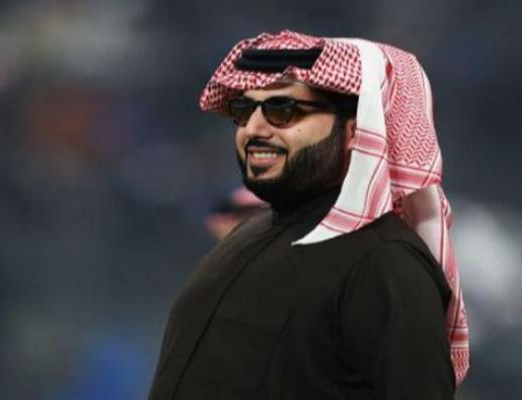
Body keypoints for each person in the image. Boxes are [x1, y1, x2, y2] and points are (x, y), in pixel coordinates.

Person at [148, 30, 469, 400]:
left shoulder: (384, 263)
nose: (253, 128)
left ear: (356, 131)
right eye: (244, 110)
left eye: (283, 111)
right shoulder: (248, 233)